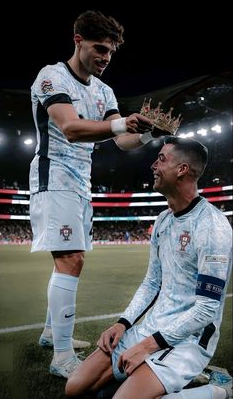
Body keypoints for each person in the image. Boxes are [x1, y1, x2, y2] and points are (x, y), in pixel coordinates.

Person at [29, 10, 159, 379]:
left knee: (69, 261)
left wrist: (150, 132)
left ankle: (51, 333)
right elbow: (70, 127)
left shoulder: (105, 91)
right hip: (53, 177)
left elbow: (122, 141)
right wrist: (121, 122)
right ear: (78, 41)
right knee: (71, 261)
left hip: (79, 184)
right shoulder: (51, 76)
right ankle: (62, 356)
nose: (106, 58)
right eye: (100, 49)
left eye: (111, 53)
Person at [65, 136, 232, 398]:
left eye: (162, 159)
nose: (153, 165)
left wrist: (149, 346)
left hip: (189, 338)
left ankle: (218, 391)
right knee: (75, 388)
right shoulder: (163, 221)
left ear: (182, 170)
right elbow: (152, 282)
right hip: (153, 327)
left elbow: (207, 308)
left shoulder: (213, 226)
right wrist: (123, 323)